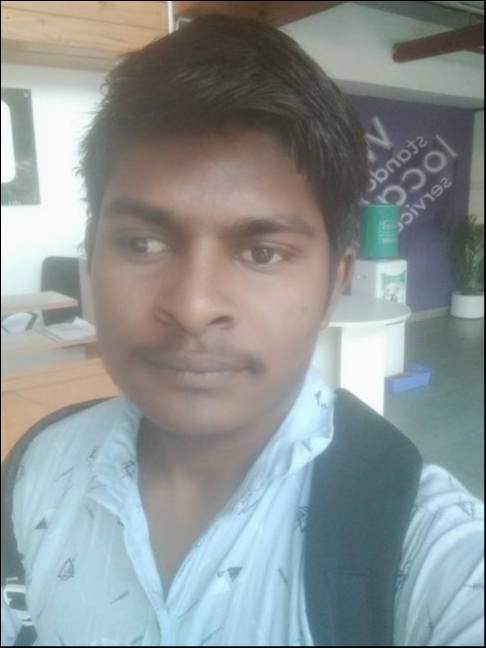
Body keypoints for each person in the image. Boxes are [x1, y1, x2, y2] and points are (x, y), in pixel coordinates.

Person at [1, 14, 483, 647]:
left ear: (335, 282)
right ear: (91, 257)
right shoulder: (39, 461)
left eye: (262, 252)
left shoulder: (417, 544)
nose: (193, 306)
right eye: (143, 242)